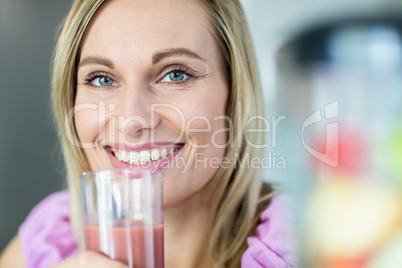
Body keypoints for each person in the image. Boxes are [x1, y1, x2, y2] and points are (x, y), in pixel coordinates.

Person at [0, 0, 295, 267]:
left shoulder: (304, 242)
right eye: (102, 79)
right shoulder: (48, 241)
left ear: (234, 94)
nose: (131, 120)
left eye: (176, 74)